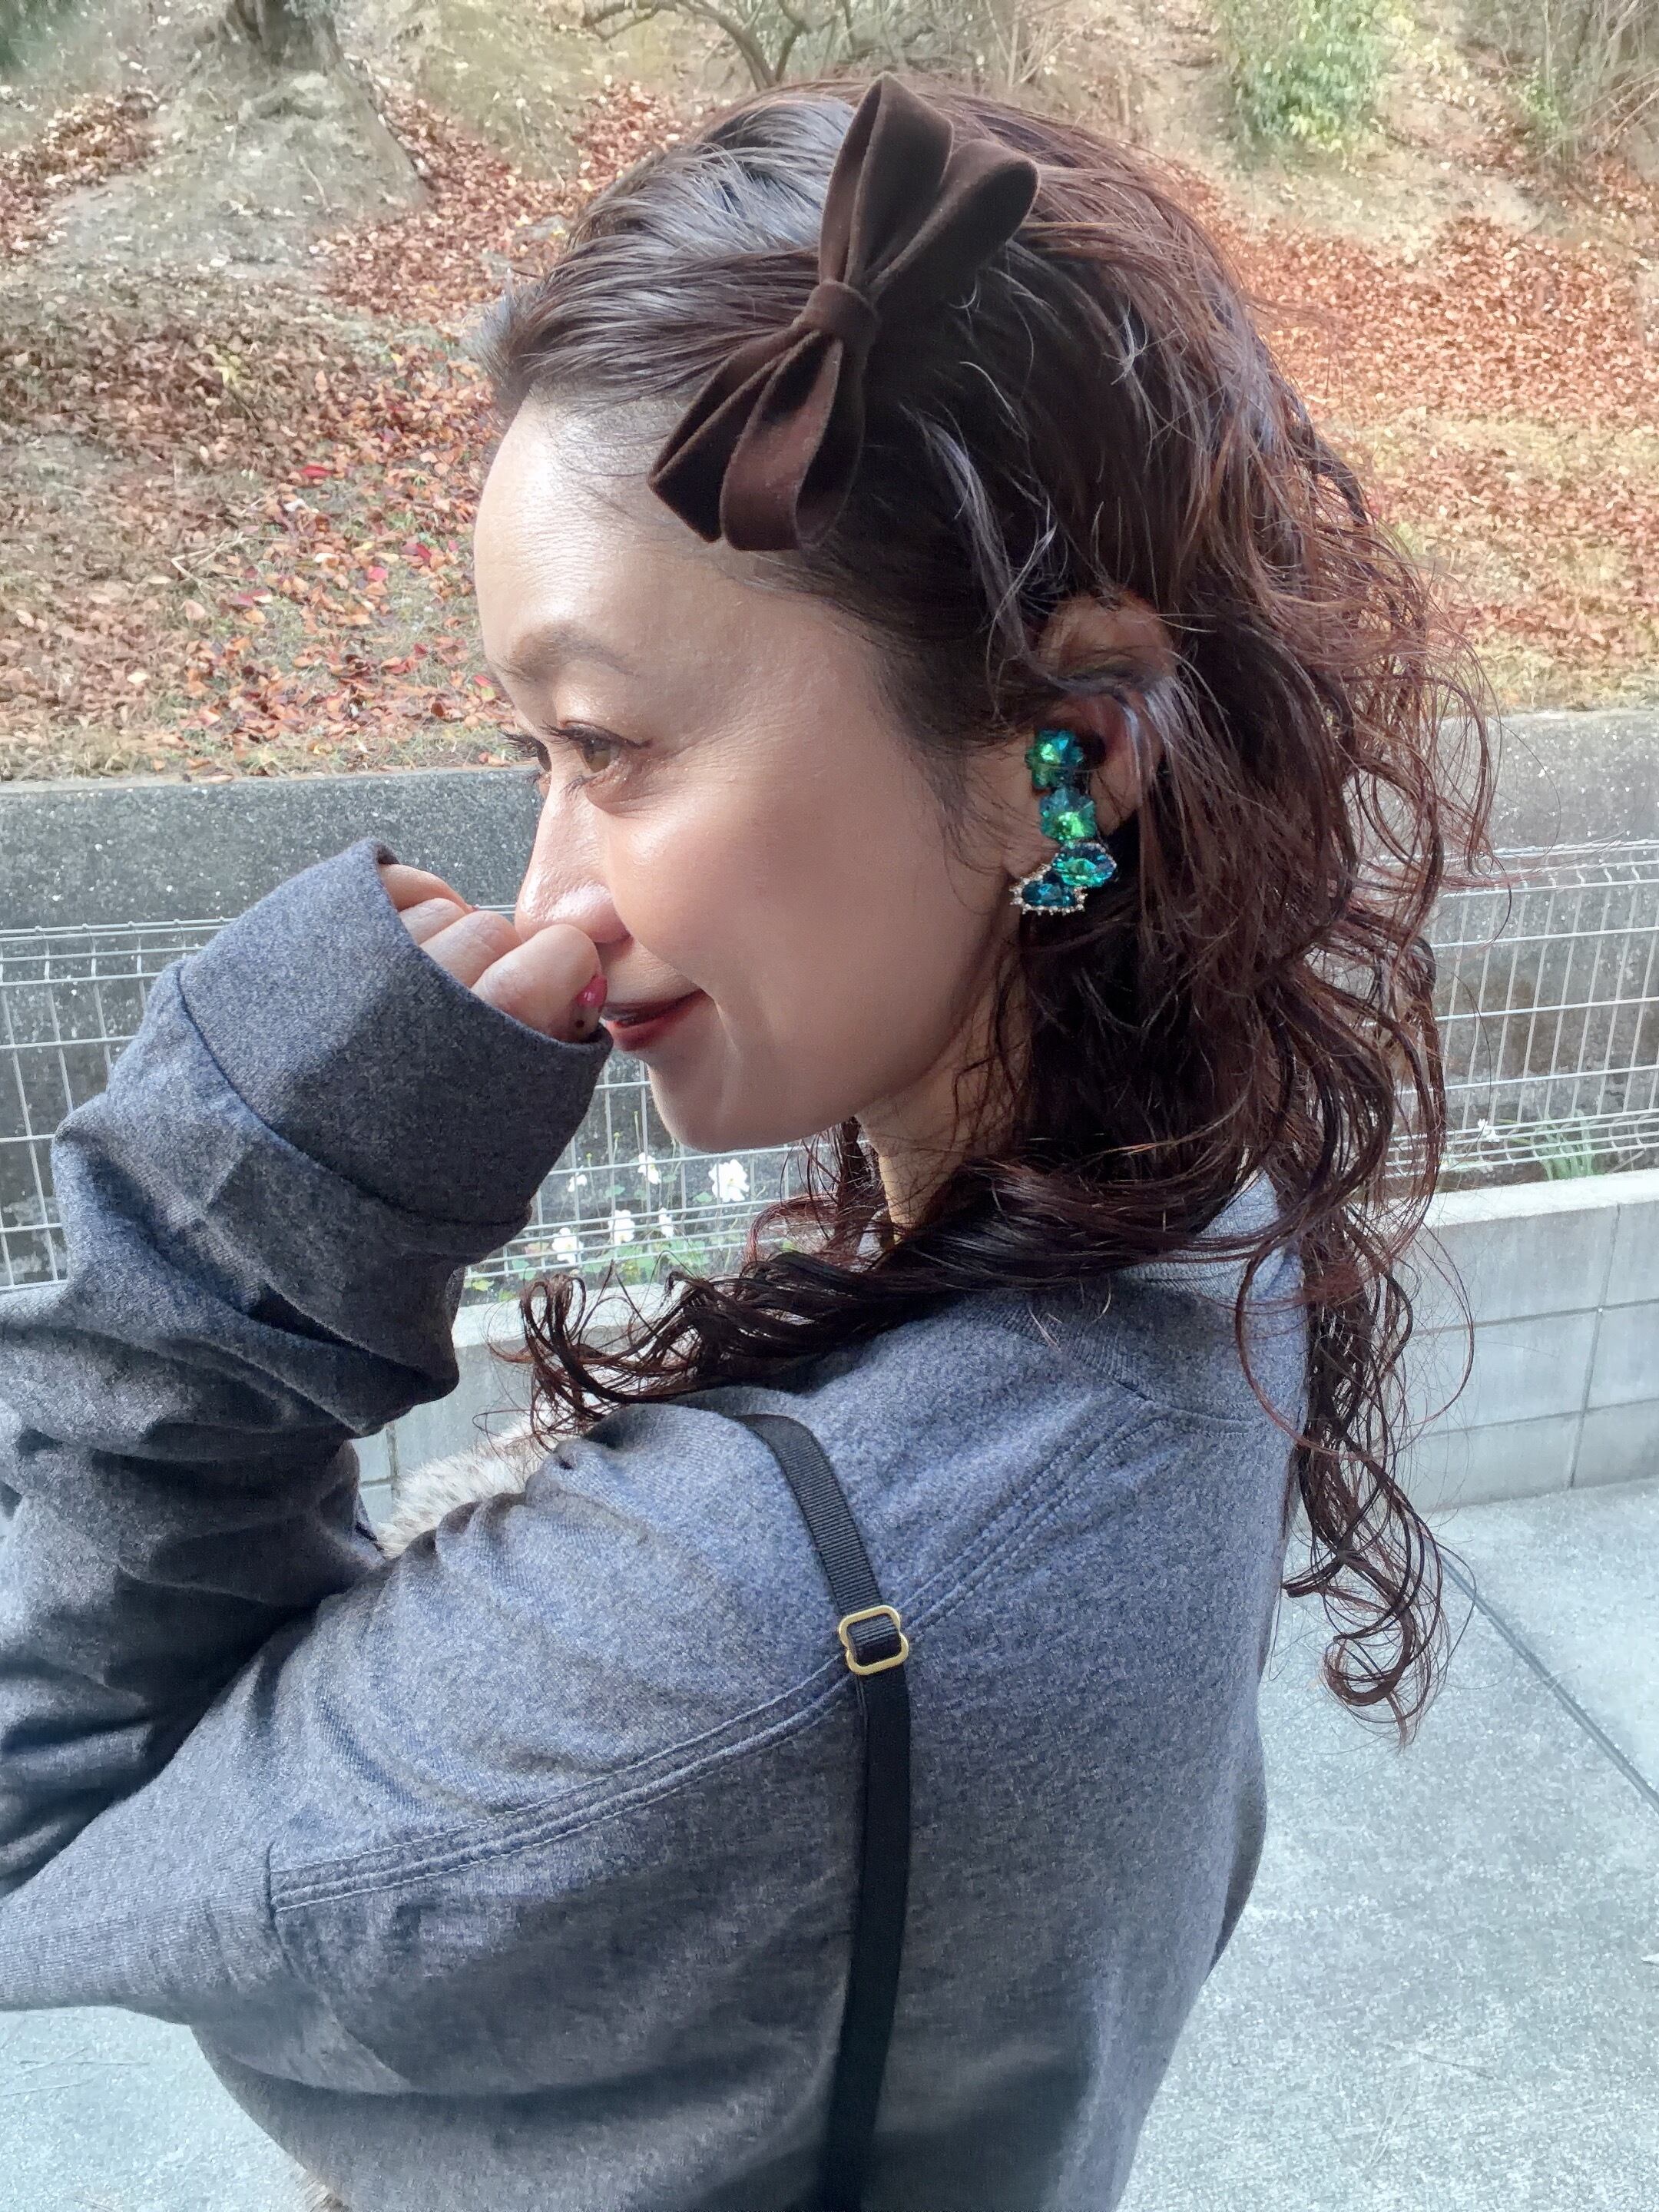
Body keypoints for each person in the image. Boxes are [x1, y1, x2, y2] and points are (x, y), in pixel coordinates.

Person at [0, 71, 1492, 2212]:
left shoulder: (742, 1615)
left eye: (607, 745)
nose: (552, 895)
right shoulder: (1197, 1242)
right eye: (532, 753)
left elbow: (41, 1820)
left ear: (1058, 761)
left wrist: (244, 1215)